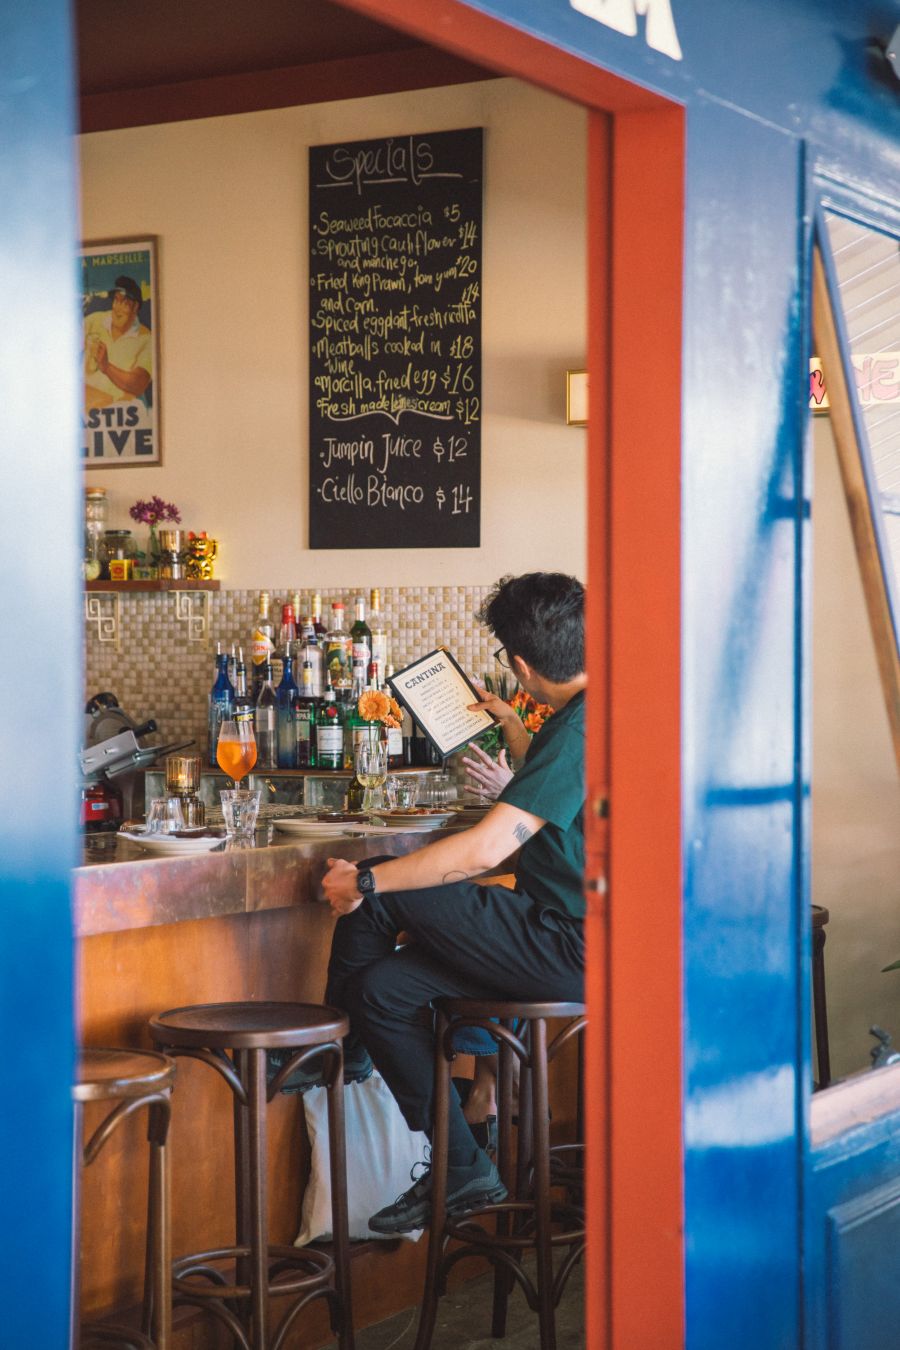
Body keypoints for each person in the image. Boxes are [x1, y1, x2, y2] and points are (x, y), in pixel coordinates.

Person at [320, 571, 587, 1234]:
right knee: (383, 990)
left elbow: (482, 851)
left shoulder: (583, 727)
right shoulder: (585, 718)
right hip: (574, 942)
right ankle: (462, 1165)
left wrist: (365, 883)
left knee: (383, 884)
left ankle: (334, 1050)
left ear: (521, 666)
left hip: (568, 945)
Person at [84, 274, 153, 412]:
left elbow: (138, 384)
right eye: (116, 300)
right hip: (86, 405)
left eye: (125, 303)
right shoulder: (95, 320)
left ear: (135, 307)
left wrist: (106, 367)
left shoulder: (147, 339)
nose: (118, 308)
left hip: (119, 414)